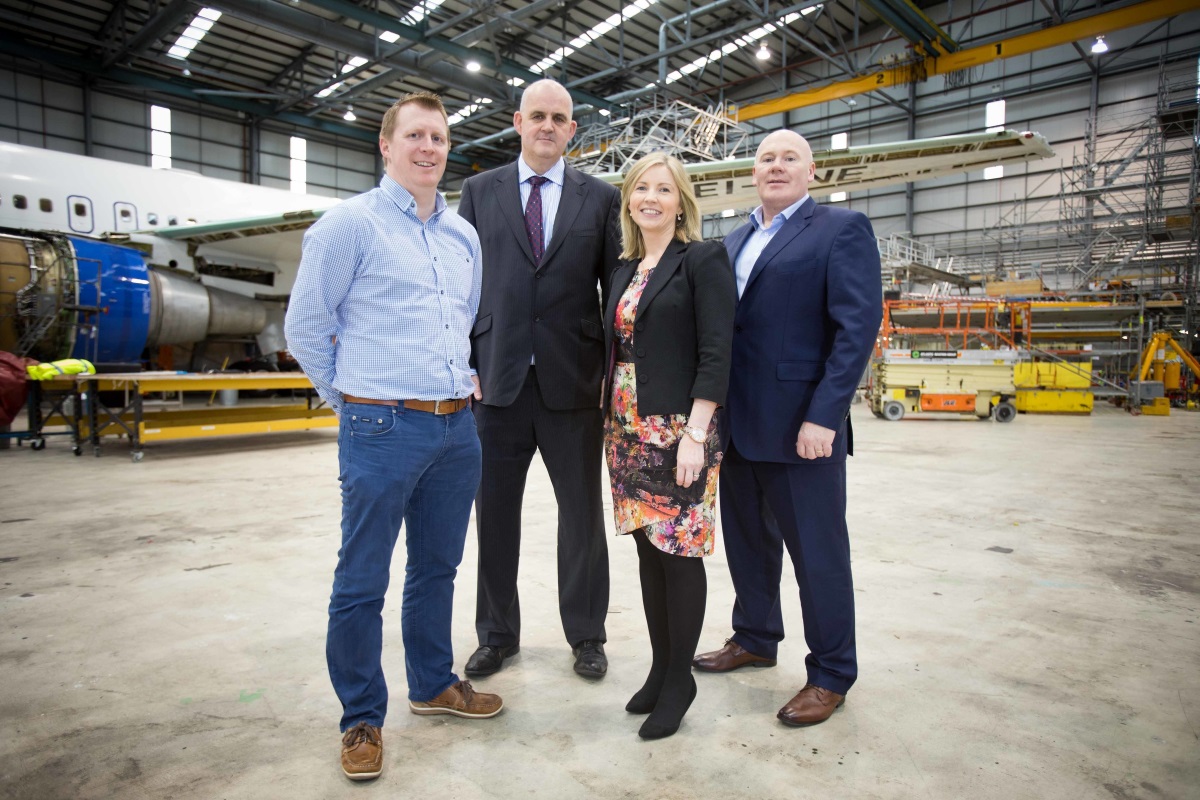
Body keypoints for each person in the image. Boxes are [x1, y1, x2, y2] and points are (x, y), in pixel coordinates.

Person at [284, 91, 502, 782]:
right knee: (362, 579)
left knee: (436, 568)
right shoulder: (348, 226)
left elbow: (463, 323)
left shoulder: (463, 235)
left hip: (454, 427)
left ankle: (433, 682)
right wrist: (350, 401)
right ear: (387, 145)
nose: (428, 148)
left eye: (438, 137)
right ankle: (360, 718)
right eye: (414, 135)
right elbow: (305, 327)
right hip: (379, 424)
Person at [693, 130, 882, 728]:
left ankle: (831, 672)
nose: (776, 166)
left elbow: (857, 329)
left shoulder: (839, 230)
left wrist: (825, 415)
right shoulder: (734, 239)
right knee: (749, 544)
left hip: (804, 429)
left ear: (812, 172)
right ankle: (754, 636)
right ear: (754, 174)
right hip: (740, 424)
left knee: (818, 555)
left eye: (789, 158)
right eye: (766, 158)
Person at [457, 78, 622, 680]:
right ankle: (497, 635)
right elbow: (461, 284)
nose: (548, 125)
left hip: (573, 385)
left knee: (581, 516)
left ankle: (586, 635)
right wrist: (462, 364)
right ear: (518, 122)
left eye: (559, 117)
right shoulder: (479, 191)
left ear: (572, 129)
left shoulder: (601, 199)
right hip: (495, 382)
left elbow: (616, 294)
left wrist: (610, 372)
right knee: (493, 515)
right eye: (537, 116)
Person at [603, 153, 735, 739]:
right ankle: (660, 669)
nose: (650, 198)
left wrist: (697, 434)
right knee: (648, 554)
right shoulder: (626, 266)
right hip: (627, 429)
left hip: (680, 430)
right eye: (640, 189)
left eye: (663, 189)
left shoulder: (702, 259)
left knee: (679, 555)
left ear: (681, 201)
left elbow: (716, 351)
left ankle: (680, 680)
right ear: (629, 200)